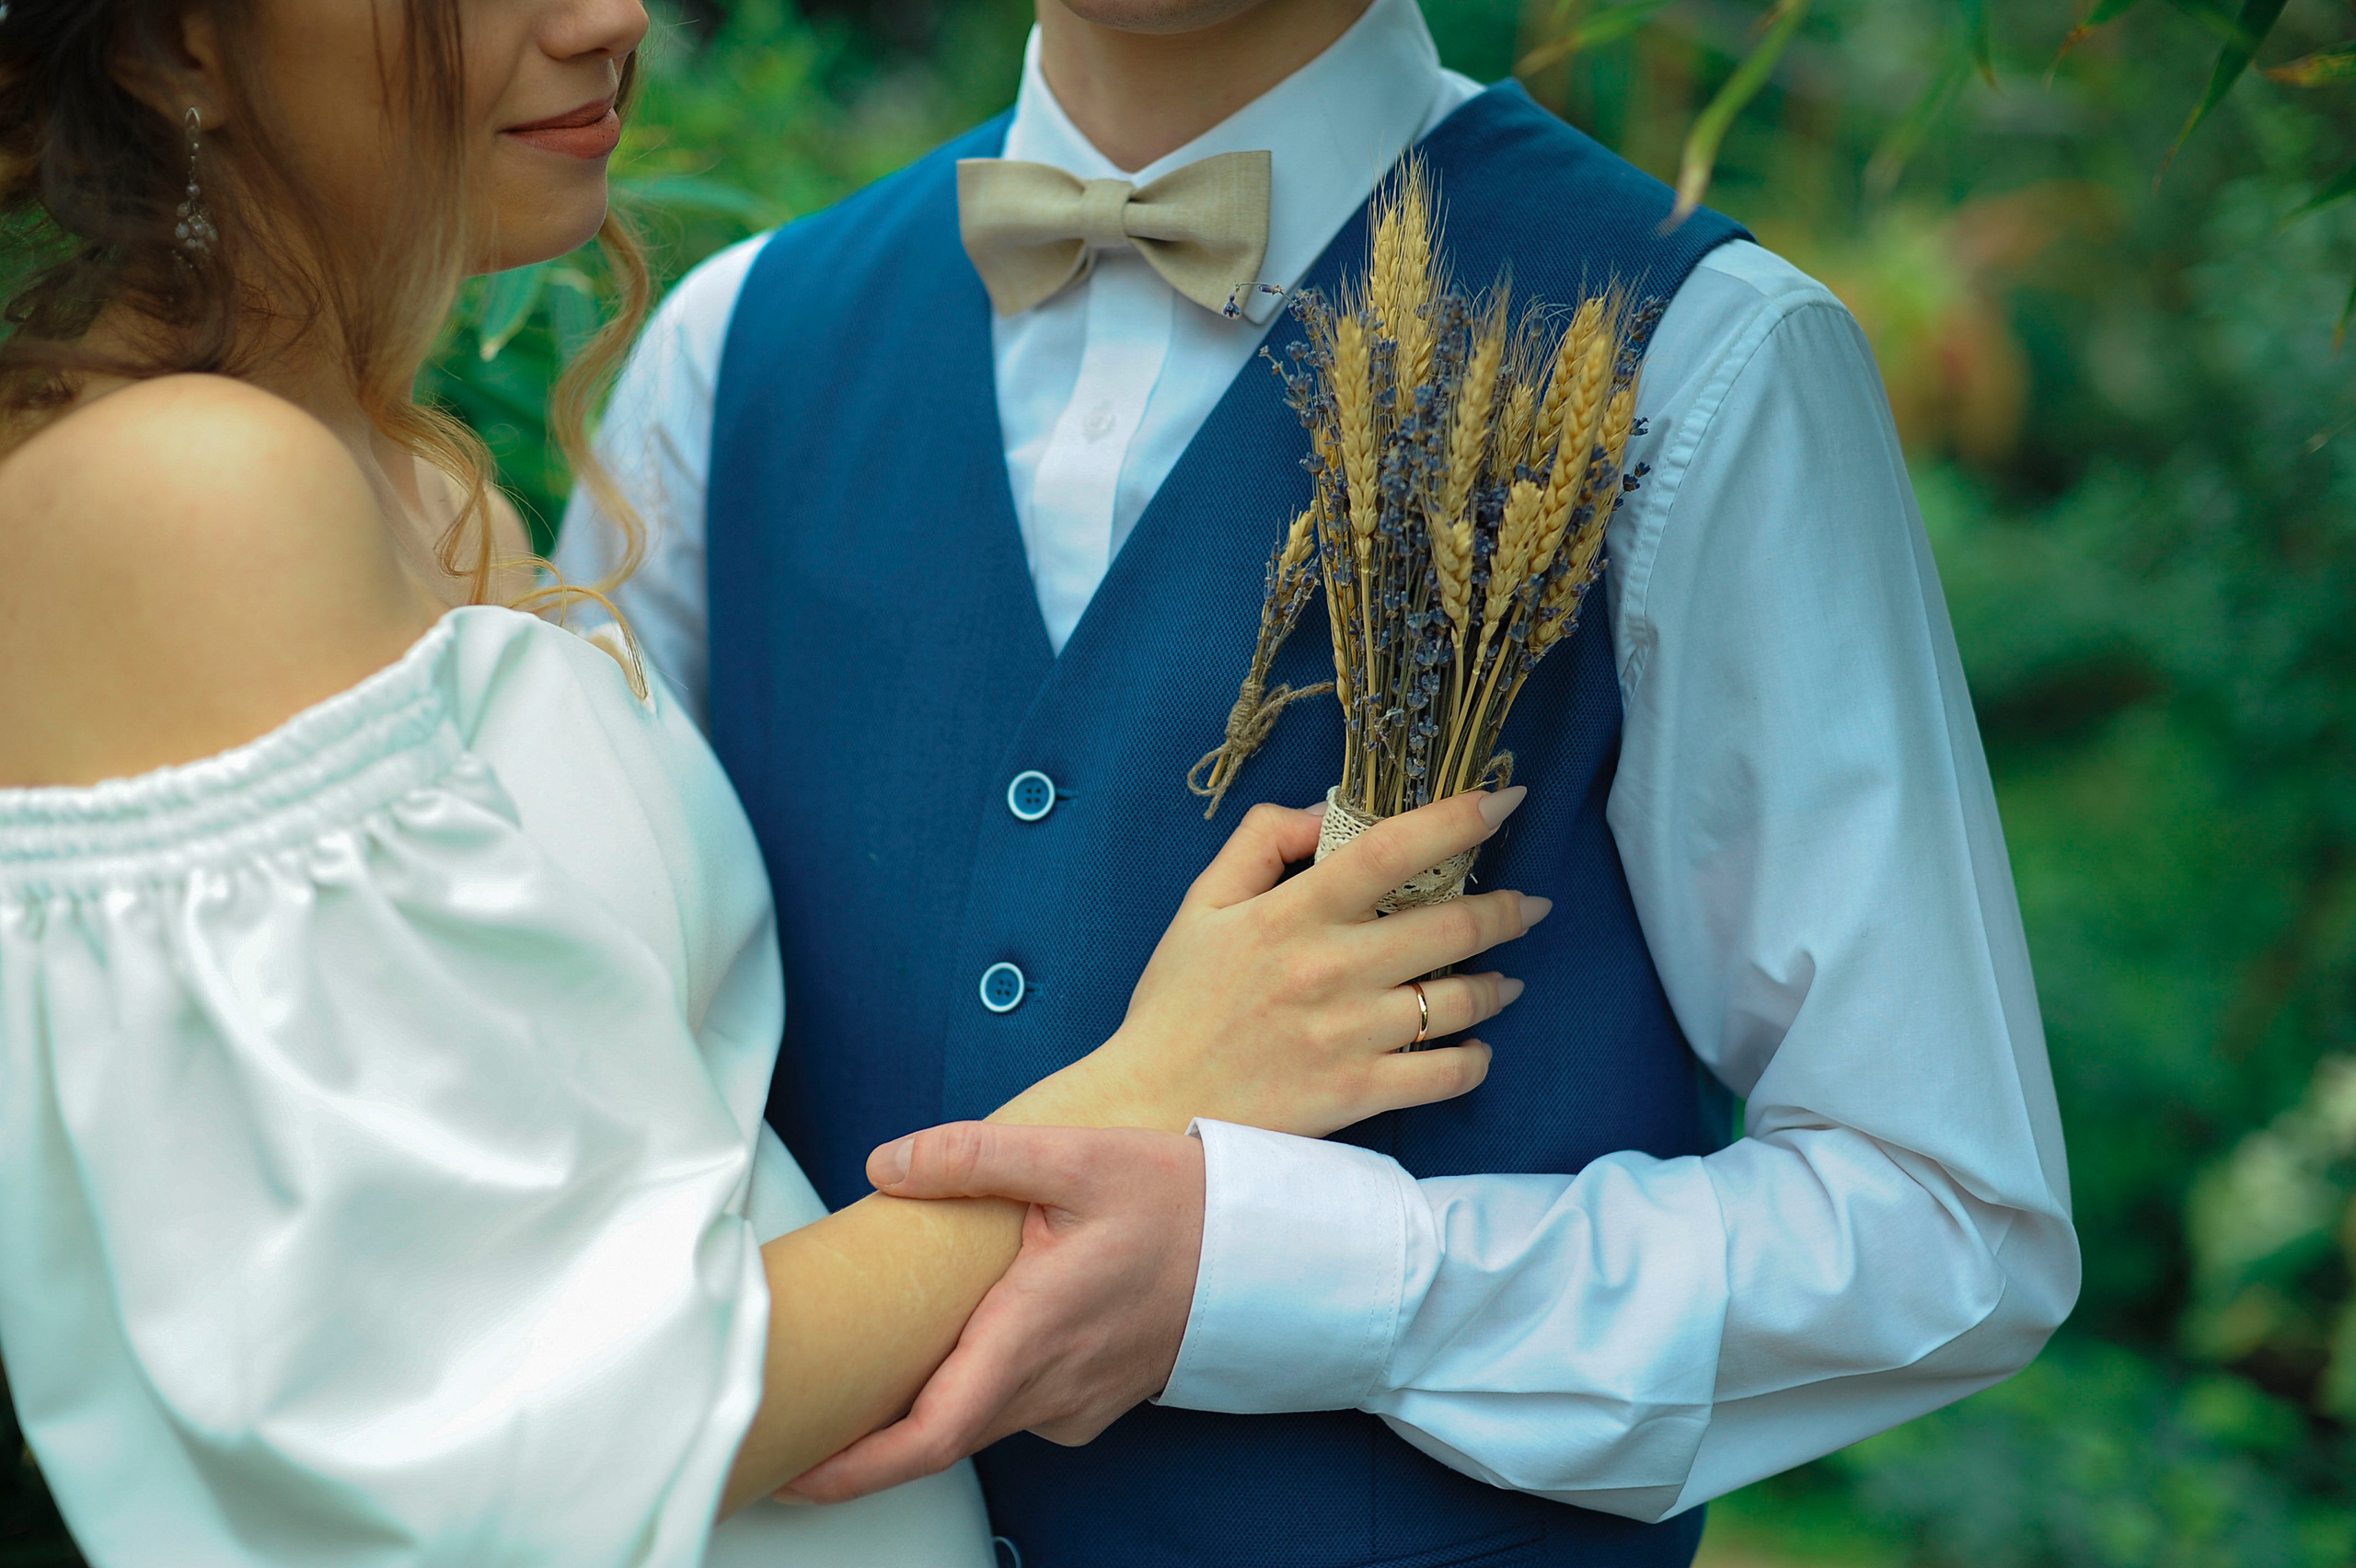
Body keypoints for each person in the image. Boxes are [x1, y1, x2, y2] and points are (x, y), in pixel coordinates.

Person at [0, 2, 1544, 1563]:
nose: (608, 14)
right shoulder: (189, 499)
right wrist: (1156, 1089)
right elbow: (563, 1421)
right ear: (173, 45)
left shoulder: (407, 478)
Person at [553, 0, 2085, 1561]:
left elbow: (1946, 1222)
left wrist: (1304, 1281)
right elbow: (561, 1115)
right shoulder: (725, 351)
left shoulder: (1703, 357)